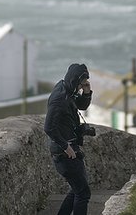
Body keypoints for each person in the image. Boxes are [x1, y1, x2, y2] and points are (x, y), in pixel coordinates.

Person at [44, 63, 93, 215]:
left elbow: (81, 106)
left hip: (69, 147)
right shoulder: (59, 99)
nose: (81, 86)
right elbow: (48, 127)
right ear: (74, 81)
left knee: (77, 189)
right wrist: (66, 146)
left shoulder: (66, 90)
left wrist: (86, 92)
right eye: (80, 84)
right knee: (83, 193)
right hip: (64, 152)